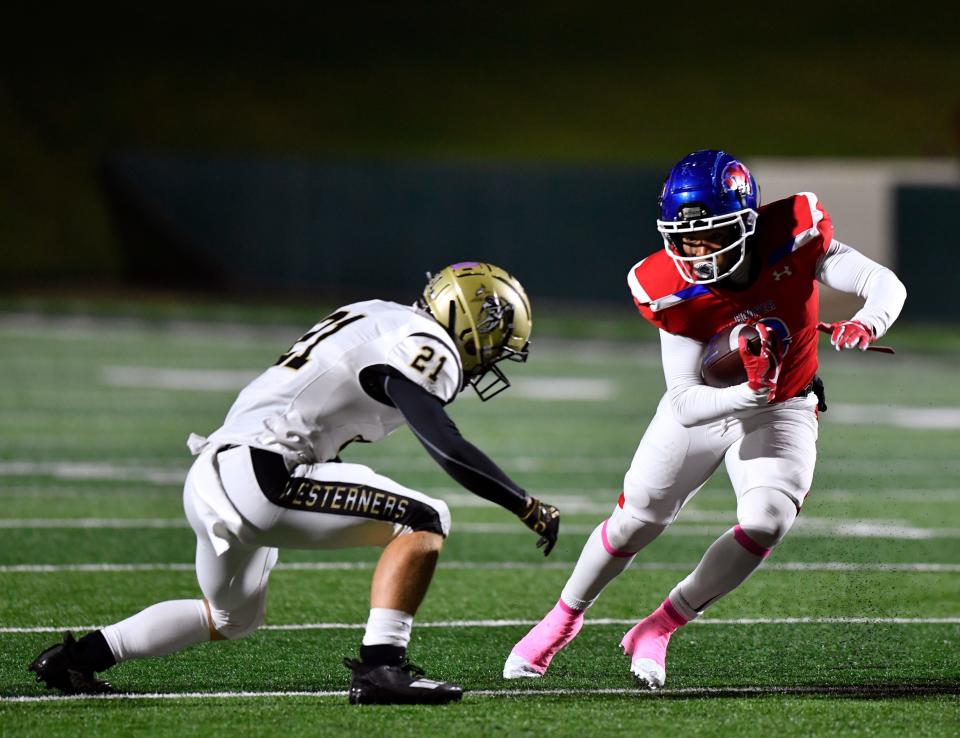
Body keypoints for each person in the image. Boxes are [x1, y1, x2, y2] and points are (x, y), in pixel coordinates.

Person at [29, 261, 560, 705]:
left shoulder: (378, 315)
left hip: (214, 470)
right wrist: (524, 503)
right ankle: (382, 668)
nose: (491, 357)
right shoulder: (427, 345)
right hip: (266, 472)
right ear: (469, 321)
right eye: (494, 342)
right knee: (424, 518)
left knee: (230, 617)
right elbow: (446, 443)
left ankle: (77, 659)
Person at [503, 149, 907, 689]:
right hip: (710, 404)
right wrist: (746, 391)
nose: (698, 252)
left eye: (712, 235)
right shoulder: (668, 287)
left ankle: (659, 627)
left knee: (767, 519)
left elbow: (883, 283)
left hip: (785, 402)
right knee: (635, 521)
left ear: (747, 221)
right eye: (687, 239)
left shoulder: (795, 233)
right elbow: (682, 399)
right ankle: (561, 620)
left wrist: (867, 321)